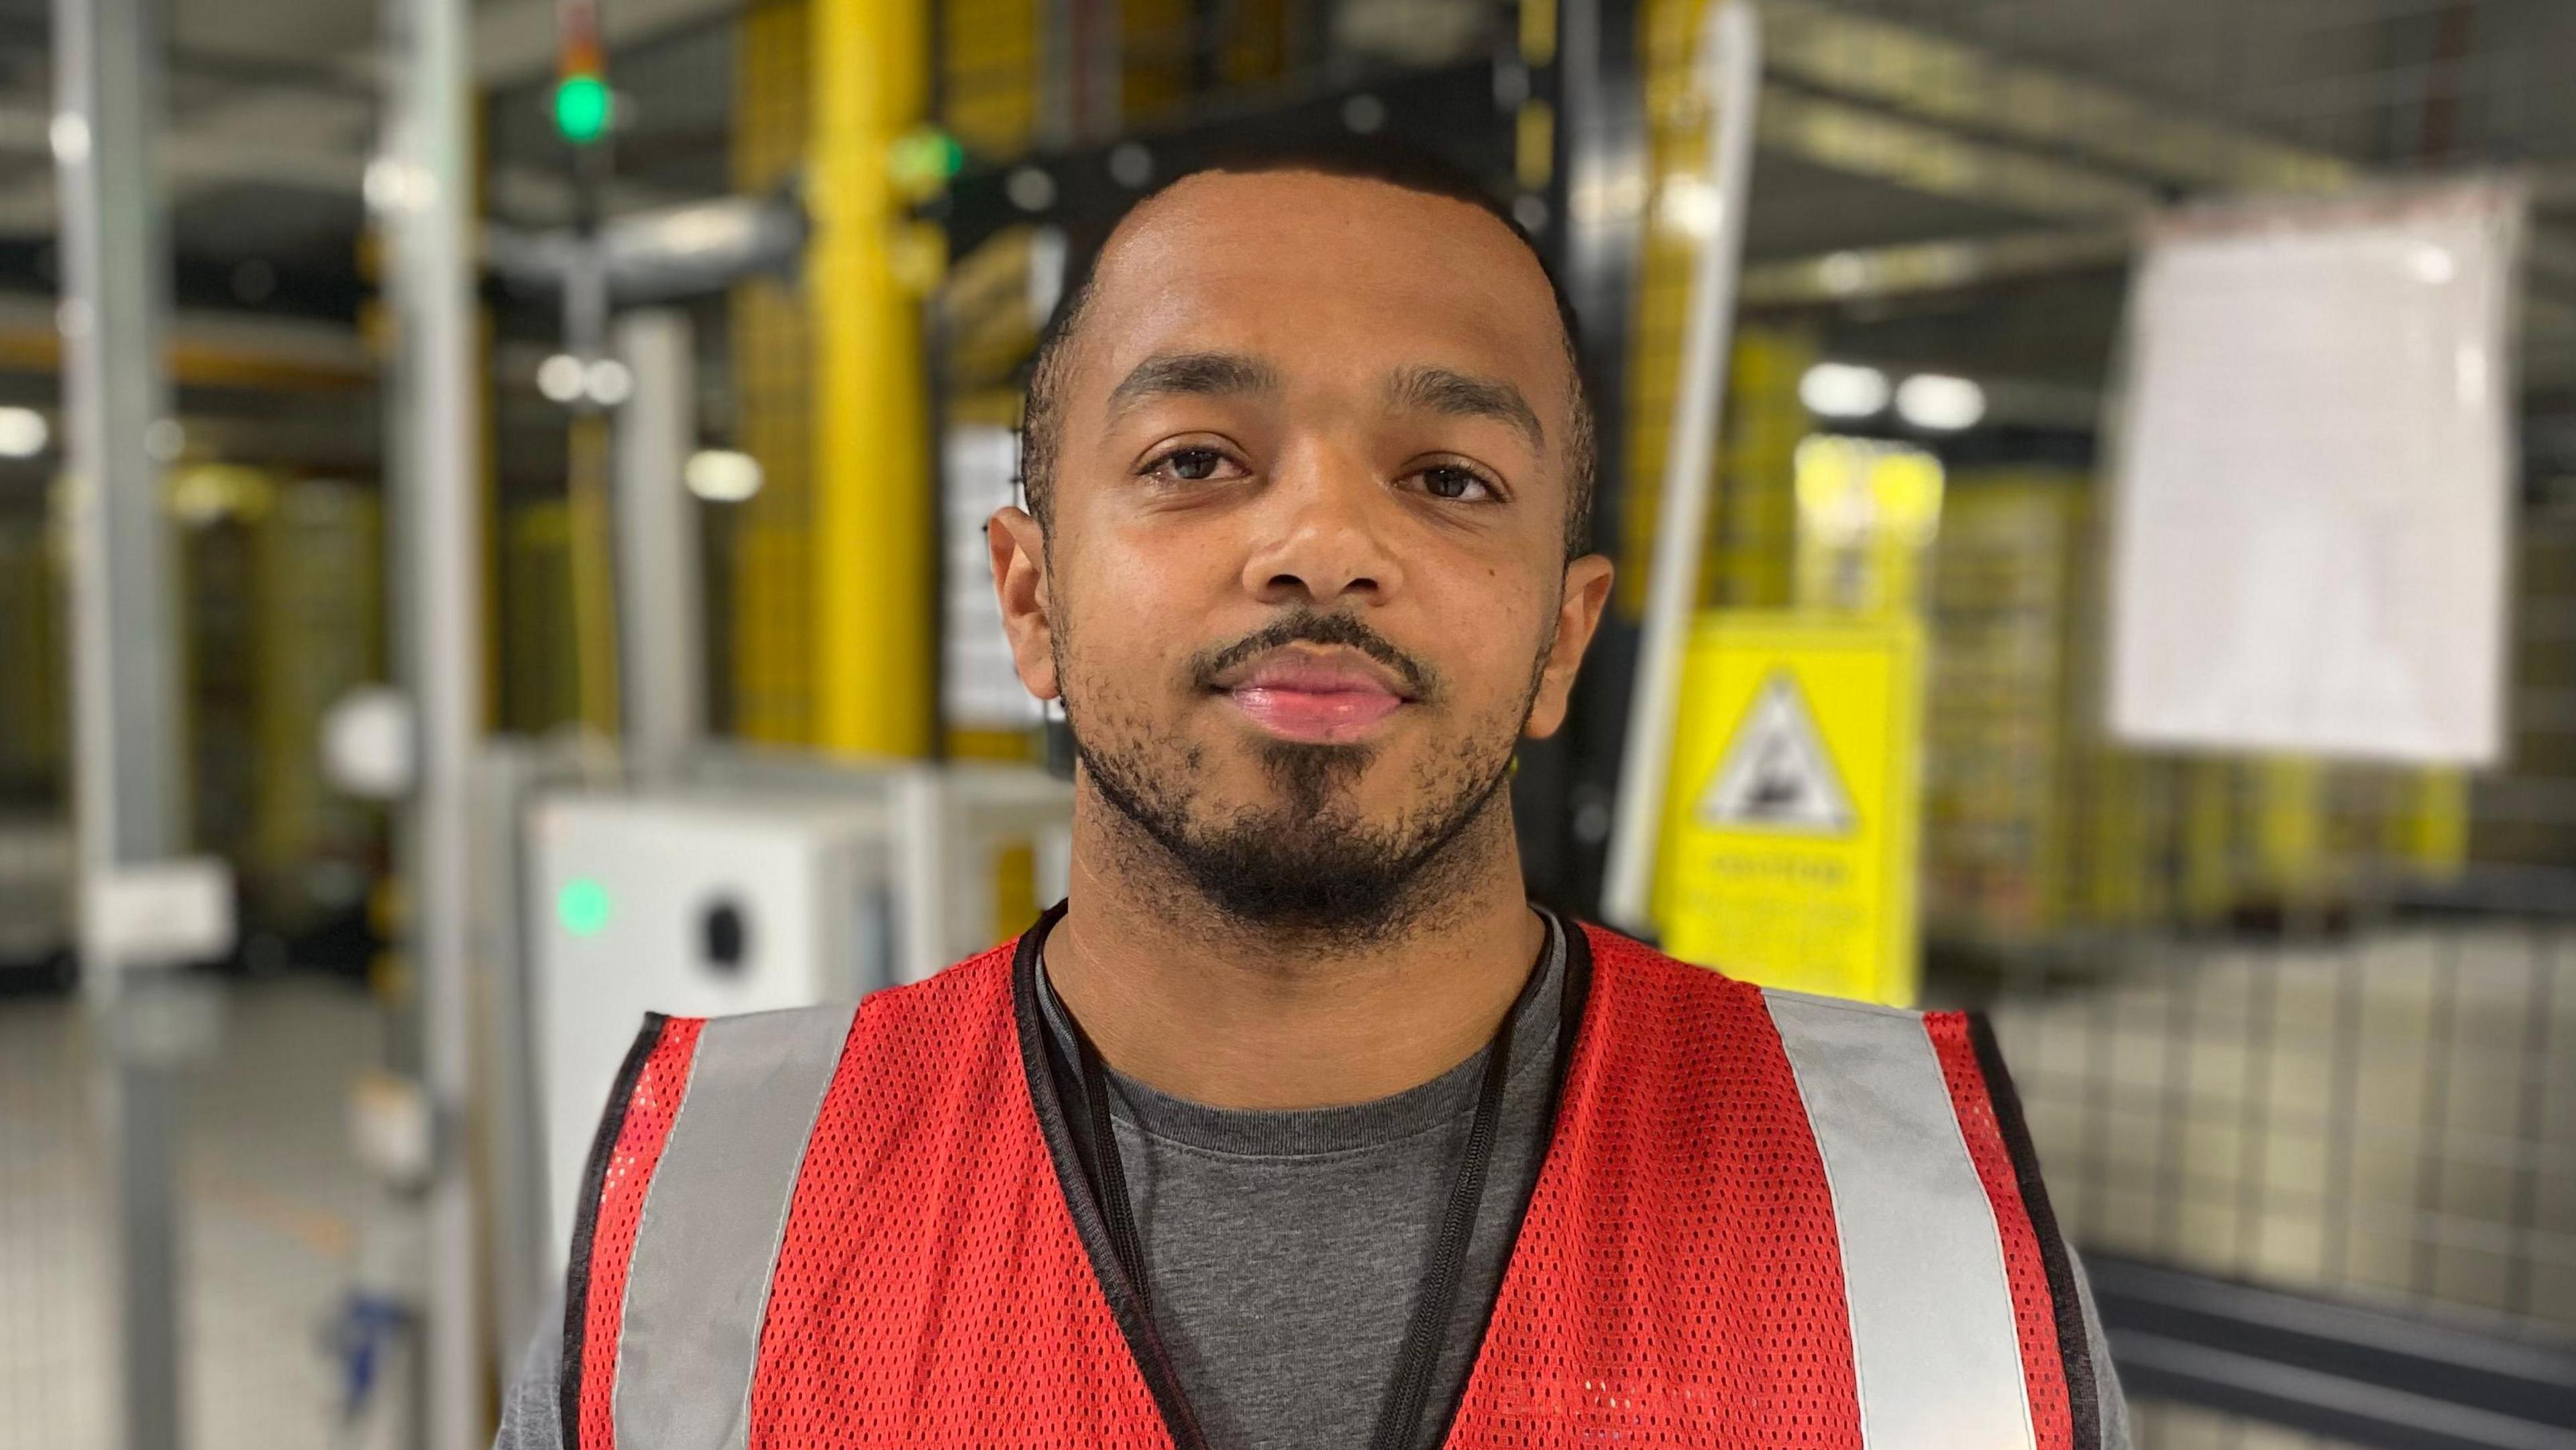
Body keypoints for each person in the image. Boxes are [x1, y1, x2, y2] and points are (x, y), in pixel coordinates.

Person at [498, 146, 2129, 1450]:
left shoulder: (1907, 1219)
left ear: (1563, 640)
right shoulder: (715, 1219)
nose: (1324, 543)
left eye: (1449, 479)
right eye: (1198, 457)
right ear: (1029, 599)